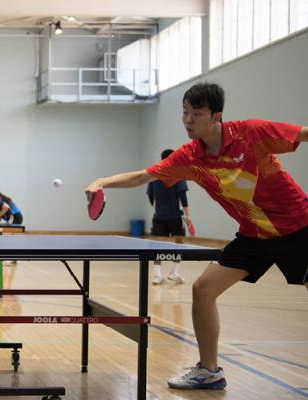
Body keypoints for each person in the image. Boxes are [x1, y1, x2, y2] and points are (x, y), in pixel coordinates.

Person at [84, 82, 308, 390]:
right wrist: (101, 181)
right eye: (185, 112)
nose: (188, 120)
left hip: (299, 228)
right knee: (203, 289)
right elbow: (142, 176)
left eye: (196, 114)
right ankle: (209, 370)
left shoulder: (252, 133)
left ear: (216, 116)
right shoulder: (189, 156)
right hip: (253, 236)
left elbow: (302, 133)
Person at [147, 149, 192, 285]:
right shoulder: (178, 174)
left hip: (159, 216)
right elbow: (183, 197)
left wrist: (158, 208)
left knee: (157, 246)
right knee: (179, 244)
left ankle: (157, 275)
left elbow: (150, 196)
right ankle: (174, 272)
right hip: (174, 217)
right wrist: (188, 215)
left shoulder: (154, 174)